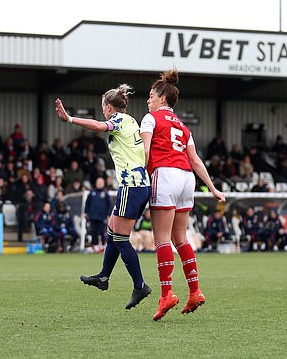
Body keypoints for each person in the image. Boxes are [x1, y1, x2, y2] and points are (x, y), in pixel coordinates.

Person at [55, 84, 152, 310]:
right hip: (136, 185)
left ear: (108, 107)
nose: (103, 111)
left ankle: (140, 286)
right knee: (111, 230)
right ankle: (104, 277)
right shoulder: (132, 121)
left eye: (103, 107)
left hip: (132, 185)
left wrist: (69, 119)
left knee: (120, 238)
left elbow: (100, 126)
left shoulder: (117, 120)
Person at [140, 68, 225, 321]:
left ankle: (166, 294)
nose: (148, 100)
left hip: (165, 175)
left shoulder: (150, 118)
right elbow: (196, 161)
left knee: (162, 239)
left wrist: (138, 176)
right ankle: (195, 290)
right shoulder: (183, 126)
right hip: (187, 179)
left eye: (151, 96)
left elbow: (145, 153)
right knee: (181, 238)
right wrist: (212, 188)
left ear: (162, 98)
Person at [83, 177, 112, 252]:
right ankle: (95, 246)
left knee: (102, 231)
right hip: (93, 216)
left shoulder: (105, 193)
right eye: (98, 183)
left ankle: (103, 246)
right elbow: (87, 203)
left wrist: (108, 214)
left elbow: (110, 205)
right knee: (94, 231)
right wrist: (86, 212)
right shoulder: (92, 193)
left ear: (103, 184)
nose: (99, 184)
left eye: (100, 183)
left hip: (102, 217)